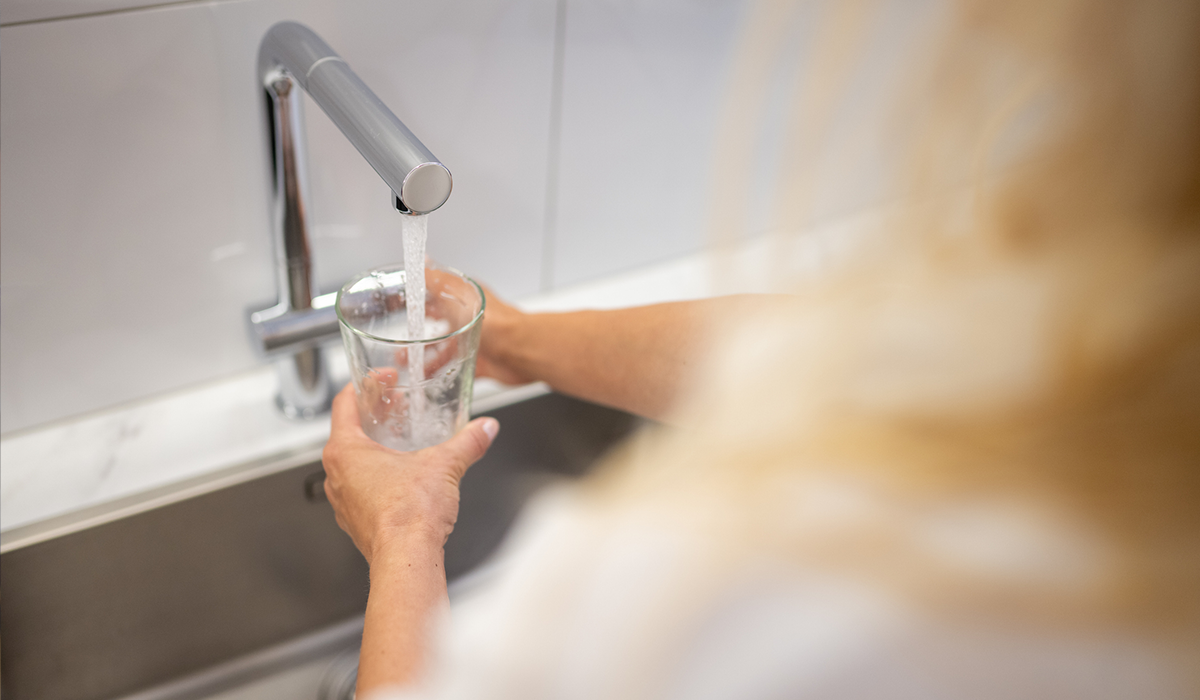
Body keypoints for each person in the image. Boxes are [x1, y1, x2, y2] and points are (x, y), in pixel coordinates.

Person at [321, 0, 1200, 697]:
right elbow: (848, 354)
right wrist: (514, 339)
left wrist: (405, 537)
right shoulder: (1115, 327)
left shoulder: (723, 595)